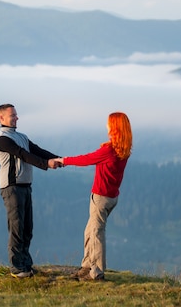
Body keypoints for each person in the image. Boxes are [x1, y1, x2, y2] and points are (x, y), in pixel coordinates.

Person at [56, 112, 133, 281]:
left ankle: (96, 272)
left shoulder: (109, 150)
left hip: (100, 197)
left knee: (97, 233)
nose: (106, 126)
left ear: (114, 127)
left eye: (108, 123)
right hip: (112, 197)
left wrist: (63, 160)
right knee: (89, 230)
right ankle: (86, 265)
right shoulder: (124, 149)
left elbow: (86, 159)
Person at [0, 103, 62, 278]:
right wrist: (46, 164)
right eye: (12, 115)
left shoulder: (21, 136)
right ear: (1, 118)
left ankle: (26, 265)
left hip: (25, 186)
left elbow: (36, 150)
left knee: (27, 228)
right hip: (11, 187)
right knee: (16, 227)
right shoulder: (2, 139)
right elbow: (23, 154)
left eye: (16, 115)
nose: (16, 118)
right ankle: (17, 268)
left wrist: (58, 158)